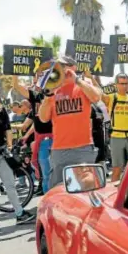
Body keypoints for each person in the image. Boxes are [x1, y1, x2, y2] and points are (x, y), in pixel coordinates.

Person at [39, 55, 102, 189]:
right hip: (60, 149)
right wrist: (48, 96)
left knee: (88, 187)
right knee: (60, 189)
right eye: (58, 66)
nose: (59, 68)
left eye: (63, 65)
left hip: (83, 147)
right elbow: (43, 118)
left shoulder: (83, 85)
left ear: (73, 67)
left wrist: (77, 80)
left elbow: (96, 97)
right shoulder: (53, 87)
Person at [0, 88, 35, 226]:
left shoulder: (1, 112)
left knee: (10, 184)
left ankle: (19, 213)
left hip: (2, 153)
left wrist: (9, 145)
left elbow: (8, 129)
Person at [12, 73, 53, 194]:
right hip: (42, 141)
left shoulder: (55, 94)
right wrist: (15, 72)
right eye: (36, 78)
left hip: (57, 139)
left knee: (57, 173)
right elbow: (16, 86)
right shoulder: (35, 96)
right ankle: (47, 201)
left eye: (40, 78)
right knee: (46, 173)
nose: (36, 81)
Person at [102, 73, 128, 182]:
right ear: (116, 85)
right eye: (121, 84)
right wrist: (90, 77)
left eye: (126, 83)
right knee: (117, 168)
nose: (124, 86)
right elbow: (98, 93)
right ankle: (114, 195)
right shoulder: (111, 97)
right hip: (116, 137)